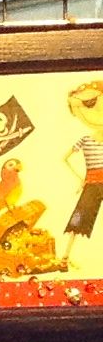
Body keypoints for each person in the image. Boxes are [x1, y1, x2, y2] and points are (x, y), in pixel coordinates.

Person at [61, 79, 103, 271]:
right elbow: (65, 158)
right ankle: (65, 257)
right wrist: (80, 179)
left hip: (93, 182)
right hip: (92, 183)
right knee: (78, 218)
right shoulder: (85, 140)